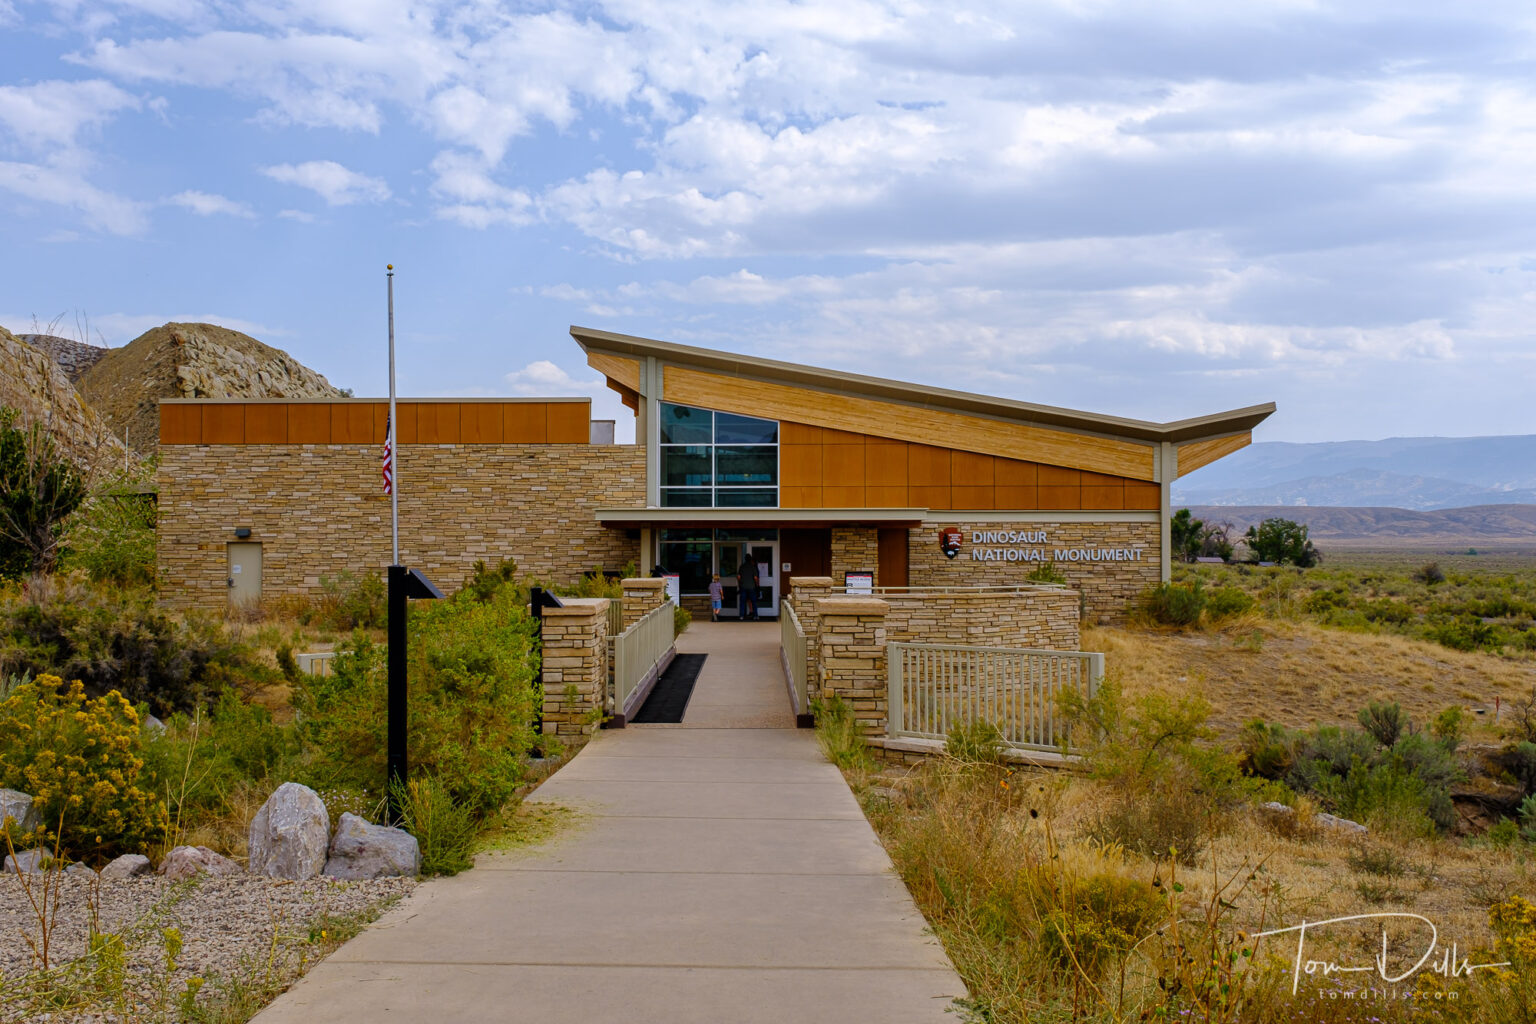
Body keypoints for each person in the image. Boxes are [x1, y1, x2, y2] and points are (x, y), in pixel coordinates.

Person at [737, 553, 757, 620]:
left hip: (743, 586)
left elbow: (739, 577)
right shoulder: (753, 567)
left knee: (742, 602)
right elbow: (755, 578)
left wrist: (740, 583)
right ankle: (755, 616)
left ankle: (741, 616)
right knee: (753, 601)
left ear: (745, 559)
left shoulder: (742, 566)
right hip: (752, 587)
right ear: (750, 559)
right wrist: (757, 584)